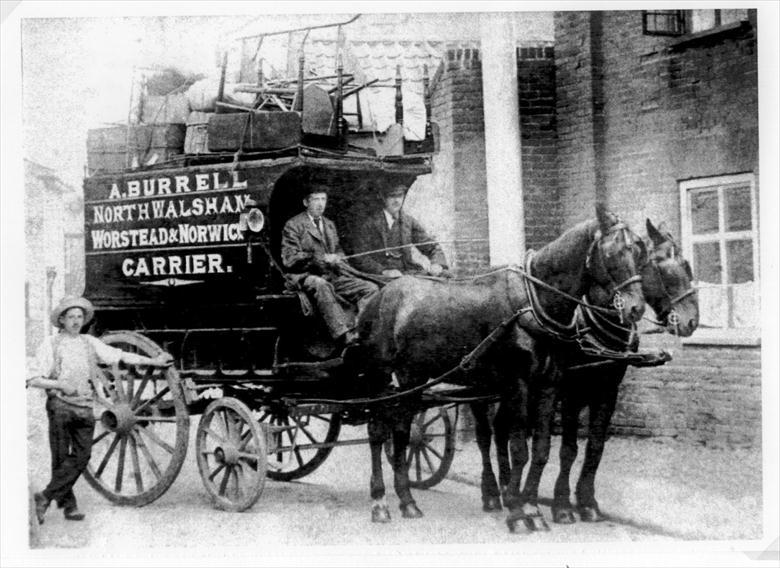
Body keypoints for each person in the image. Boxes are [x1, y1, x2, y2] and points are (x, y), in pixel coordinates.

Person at [27, 296, 174, 524]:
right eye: (71, 317)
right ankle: (69, 506)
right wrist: (60, 385)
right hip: (60, 407)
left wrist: (154, 361)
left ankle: (44, 497)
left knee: (82, 456)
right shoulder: (50, 345)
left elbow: (120, 356)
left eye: (79, 317)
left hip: (84, 407)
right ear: (62, 321)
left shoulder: (89, 342)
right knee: (60, 458)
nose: (76, 321)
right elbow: (33, 379)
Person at [281, 186, 378, 345]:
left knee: (370, 288)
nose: (321, 204)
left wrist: (338, 258)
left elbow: (338, 250)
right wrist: (318, 258)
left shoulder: (329, 224)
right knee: (321, 285)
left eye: (323, 199)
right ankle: (344, 334)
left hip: (331, 275)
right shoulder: (294, 225)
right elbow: (289, 259)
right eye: (316, 199)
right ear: (306, 202)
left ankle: (360, 331)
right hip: (305, 277)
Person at [351, 184, 449, 279]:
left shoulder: (408, 222)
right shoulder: (370, 223)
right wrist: (383, 271)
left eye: (400, 196)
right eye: (392, 196)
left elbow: (432, 247)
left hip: (407, 273)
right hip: (380, 276)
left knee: (445, 279)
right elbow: (361, 257)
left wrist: (437, 264)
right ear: (384, 198)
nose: (397, 201)